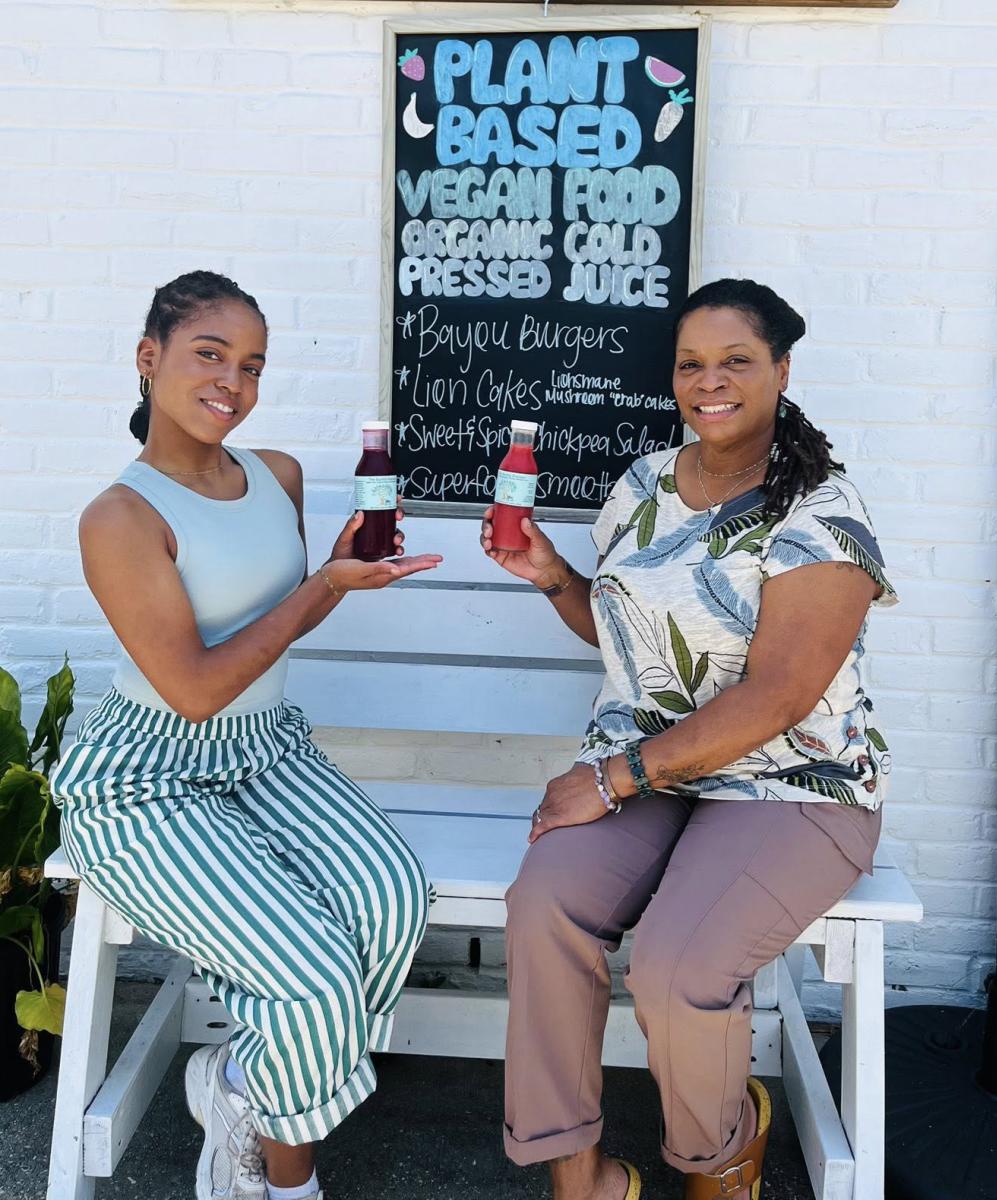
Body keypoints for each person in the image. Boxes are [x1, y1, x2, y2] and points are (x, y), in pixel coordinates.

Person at [480, 278, 896, 1200]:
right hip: (658, 778)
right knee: (543, 905)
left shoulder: (822, 510)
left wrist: (616, 775)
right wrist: (555, 578)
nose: (709, 382)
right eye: (691, 365)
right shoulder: (642, 486)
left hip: (794, 785)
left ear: (781, 371)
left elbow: (781, 695)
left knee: (677, 965)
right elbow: (631, 639)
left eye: (736, 361)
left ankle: (721, 1163)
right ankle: (580, 1177)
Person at [50, 271, 441, 1200]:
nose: (233, 380)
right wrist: (323, 588)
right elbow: (190, 688)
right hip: (146, 775)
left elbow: (276, 628)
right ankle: (280, 1177)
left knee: (394, 899)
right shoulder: (121, 516)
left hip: (266, 749)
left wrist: (340, 570)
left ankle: (239, 1086)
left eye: (252, 364)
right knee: (309, 980)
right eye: (210, 354)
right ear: (150, 361)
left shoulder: (279, 476)